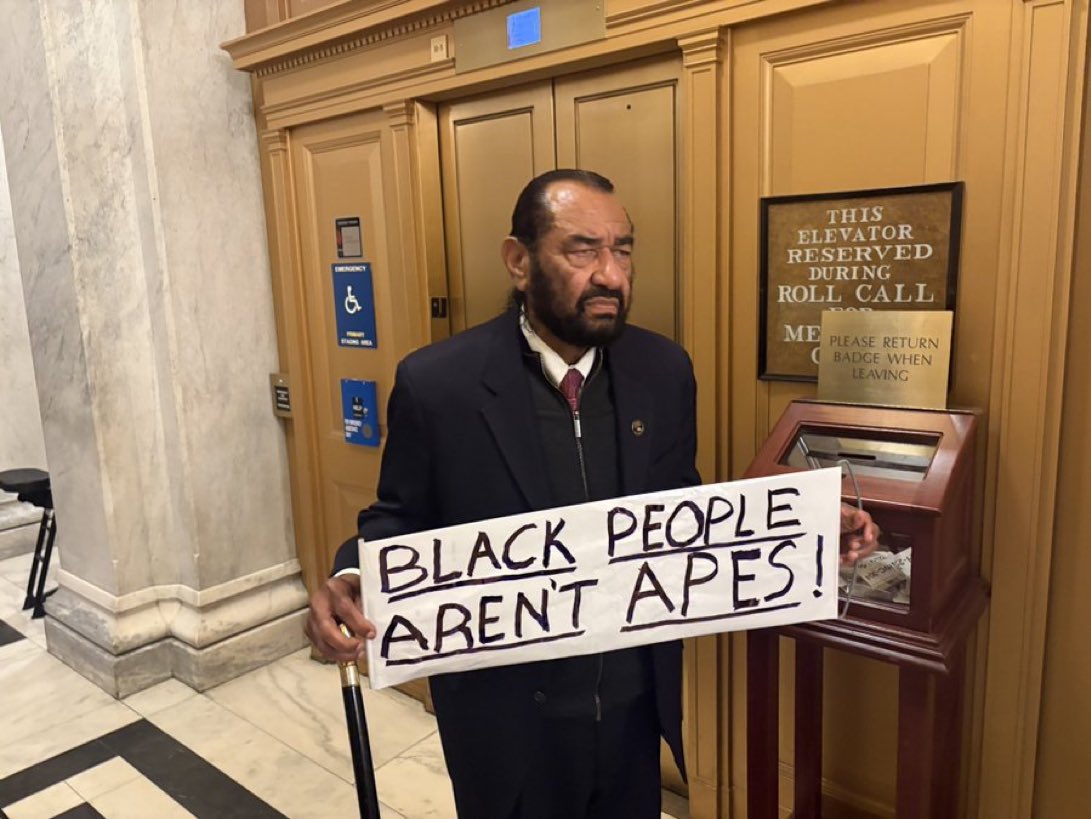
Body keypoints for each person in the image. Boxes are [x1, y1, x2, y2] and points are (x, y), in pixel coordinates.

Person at [305, 169, 879, 818]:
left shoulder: (663, 371)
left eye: (623, 248)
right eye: (582, 249)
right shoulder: (439, 384)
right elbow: (399, 516)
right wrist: (353, 573)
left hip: (635, 710)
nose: (610, 274)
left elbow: (678, 513)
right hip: (507, 720)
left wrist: (799, 531)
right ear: (519, 261)